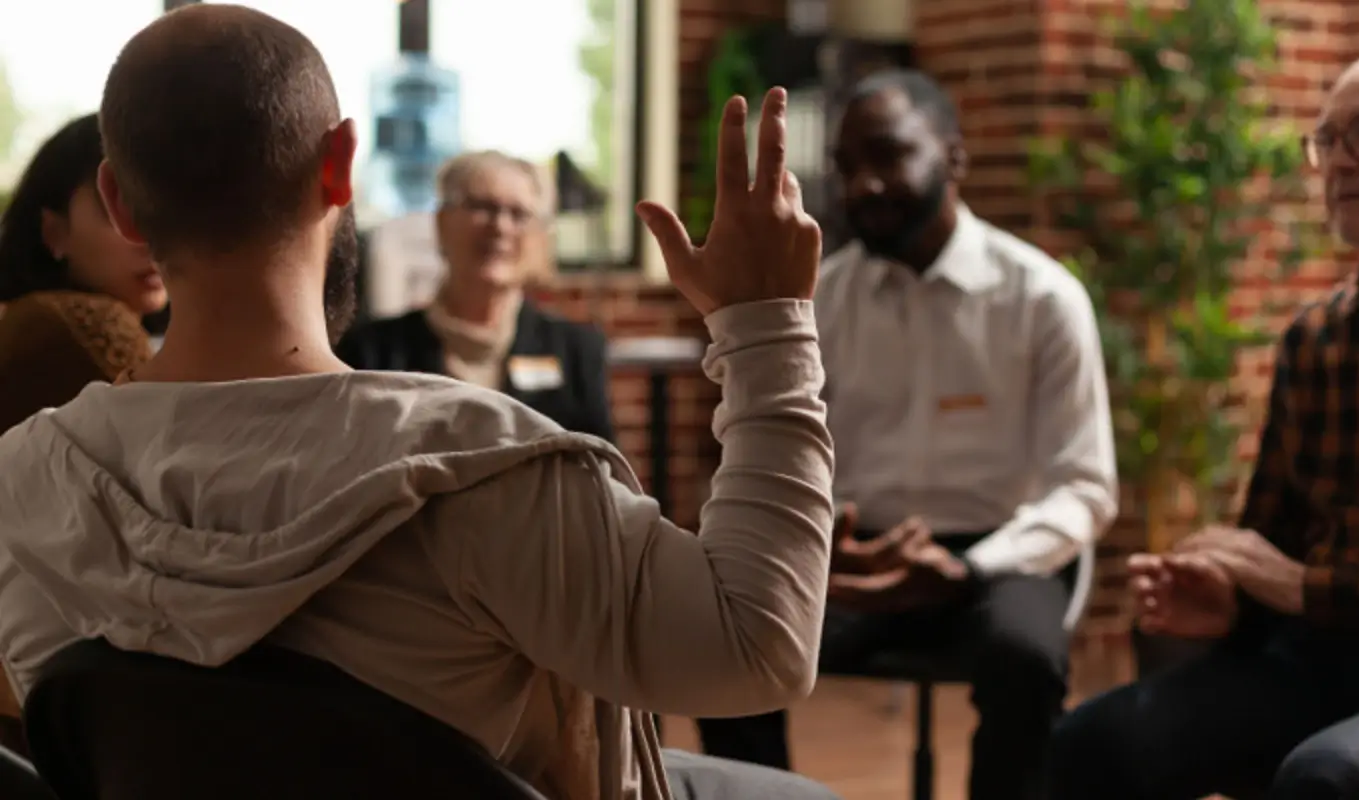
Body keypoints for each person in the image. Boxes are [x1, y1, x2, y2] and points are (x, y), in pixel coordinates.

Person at [0, 6, 838, 799]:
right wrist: (768, 327)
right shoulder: (478, 464)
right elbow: (755, 645)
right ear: (338, 166)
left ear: (118, 201)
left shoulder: (23, 487)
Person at [1051, 53, 1359, 800]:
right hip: (1318, 655)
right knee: (1090, 743)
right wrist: (1230, 596)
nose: (1338, 162)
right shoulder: (1316, 338)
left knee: (1331, 778)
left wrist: (1305, 589)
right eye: (1326, 140)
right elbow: (1275, 534)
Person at [695, 69, 1118, 800]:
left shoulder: (1042, 298)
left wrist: (971, 568)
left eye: (888, 156)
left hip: (1000, 554)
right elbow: (785, 448)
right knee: (721, 638)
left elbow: (1083, 486)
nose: (864, 186)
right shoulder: (824, 294)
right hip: (858, 551)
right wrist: (827, 539)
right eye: (848, 165)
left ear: (954, 158)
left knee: (1026, 659)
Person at [0, 112, 167, 755]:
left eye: (158, 203)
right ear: (52, 231)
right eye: (115, 207)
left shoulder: (30, 318)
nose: (145, 231)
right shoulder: (79, 325)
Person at [338, 151, 615, 440]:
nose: (500, 226)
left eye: (519, 214)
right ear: (442, 222)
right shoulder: (372, 353)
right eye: (483, 207)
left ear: (540, 237)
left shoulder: (576, 352)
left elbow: (602, 474)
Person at [0, 112, 167, 435]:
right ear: (53, 232)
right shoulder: (71, 335)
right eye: (121, 209)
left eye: (164, 207)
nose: (151, 238)